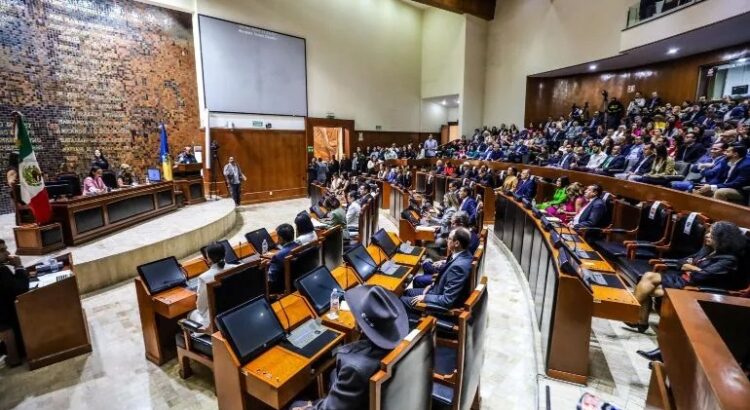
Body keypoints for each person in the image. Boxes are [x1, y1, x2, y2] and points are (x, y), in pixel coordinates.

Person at [289, 285, 407, 410]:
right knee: (333, 374)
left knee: (294, 405)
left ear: (361, 326)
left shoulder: (354, 367)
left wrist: (310, 406)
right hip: (384, 397)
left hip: (359, 399)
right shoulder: (400, 339)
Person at [629, 221, 746, 332]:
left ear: (723, 237)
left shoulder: (728, 260)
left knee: (646, 285)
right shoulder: (707, 250)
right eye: (708, 232)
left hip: (693, 286)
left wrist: (690, 267)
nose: (707, 235)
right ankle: (637, 318)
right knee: (647, 278)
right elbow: (681, 262)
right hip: (682, 279)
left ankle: (634, 315)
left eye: (712, 233)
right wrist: (693, 267)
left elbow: (702, 276)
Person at [401, 227, 474, 313]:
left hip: (438, 304)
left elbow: (447, 300)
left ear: (457, 243)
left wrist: (425, 297)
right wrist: (431, 286)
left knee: (400, 300)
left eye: (449, 238)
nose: (447, 240)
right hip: (436, 290)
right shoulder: (464, 254)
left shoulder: (458, 268)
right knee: (406, 292)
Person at [0, 239, 30, 361]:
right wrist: (18, 266)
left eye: (6, 249)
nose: (7, 253)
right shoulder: (2, 271)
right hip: (9, 320)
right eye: (2, 251)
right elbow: (21, 290)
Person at [187, 243, 227, 330]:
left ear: (208, 259)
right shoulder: (237, 267)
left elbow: (201, 307)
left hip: (215, 323)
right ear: (225, 253)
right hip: (234, 313)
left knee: (191, 314)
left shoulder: (204, 278)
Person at [267, 224, 298, 294]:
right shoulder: (299, 246)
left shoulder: (278, 256)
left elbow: (271, 278)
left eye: (278, 237)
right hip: (295, 281)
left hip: (281, 288)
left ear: (280, 238)